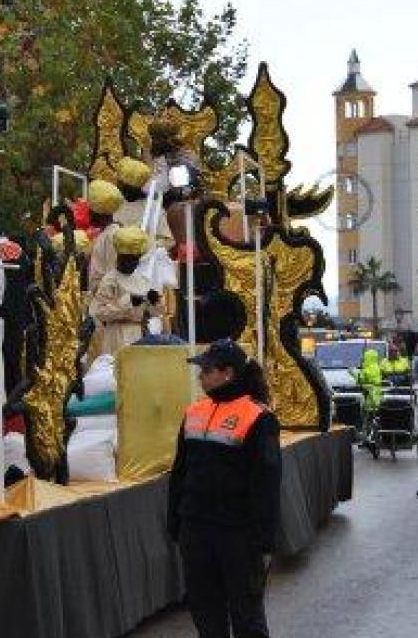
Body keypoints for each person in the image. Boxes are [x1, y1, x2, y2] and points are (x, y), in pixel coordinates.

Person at [168, 339, 281, 638]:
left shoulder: (259, 417)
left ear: (227, 373)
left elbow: (267, 485)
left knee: (247, 618)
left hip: (238, 535)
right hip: (196, 531)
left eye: (206, 370)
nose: (200, 376)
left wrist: (264, 543)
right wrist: (175, 523)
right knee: (206, 615)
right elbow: (179, 473)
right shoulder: (194, 412)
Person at [88, 226, 158, 357]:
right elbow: (98, 311)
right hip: (117, 336)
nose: (132, 264)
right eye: (129, 259)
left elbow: (154, 313)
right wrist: (127, 303)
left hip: (140, 335)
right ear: (120, 257)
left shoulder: (142, 280)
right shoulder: (110, 280)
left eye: (135, 260)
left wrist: (152, 303)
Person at [85, 178, 125, 294]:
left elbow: (112, 276)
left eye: (90, 209)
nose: (88, 213)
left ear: (98, 212)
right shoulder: (105, 233)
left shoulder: (112, 236)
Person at [350, 348, 383, 456]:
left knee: (367, 422)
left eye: (364, 358)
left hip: (369, 399)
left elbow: (360, 380)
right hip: (377, 398)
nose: (362, 359)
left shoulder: (367, 369)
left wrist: (353, 372)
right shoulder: (377, 367)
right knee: (374, 420)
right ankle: (374, 438)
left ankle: (368, 440)